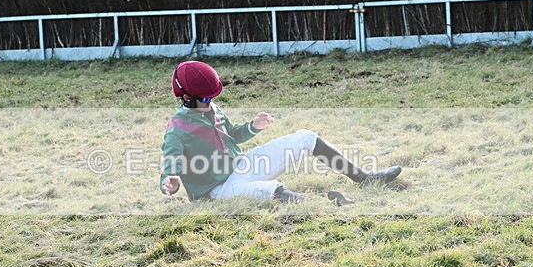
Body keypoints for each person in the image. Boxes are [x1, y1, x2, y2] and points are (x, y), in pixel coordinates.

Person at [159, 61, 402, 204]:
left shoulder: (212, 108)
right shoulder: (177, 129)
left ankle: (363, 177)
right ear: (186, 98)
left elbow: (232, 134)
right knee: (269, 189)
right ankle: (327, 204)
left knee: (306, 137)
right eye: (204, 98)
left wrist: (253, 126)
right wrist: (168, 182)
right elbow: (170, 163)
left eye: (213, 97)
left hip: (241, 167)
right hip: (217, 191)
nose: (210, 102)